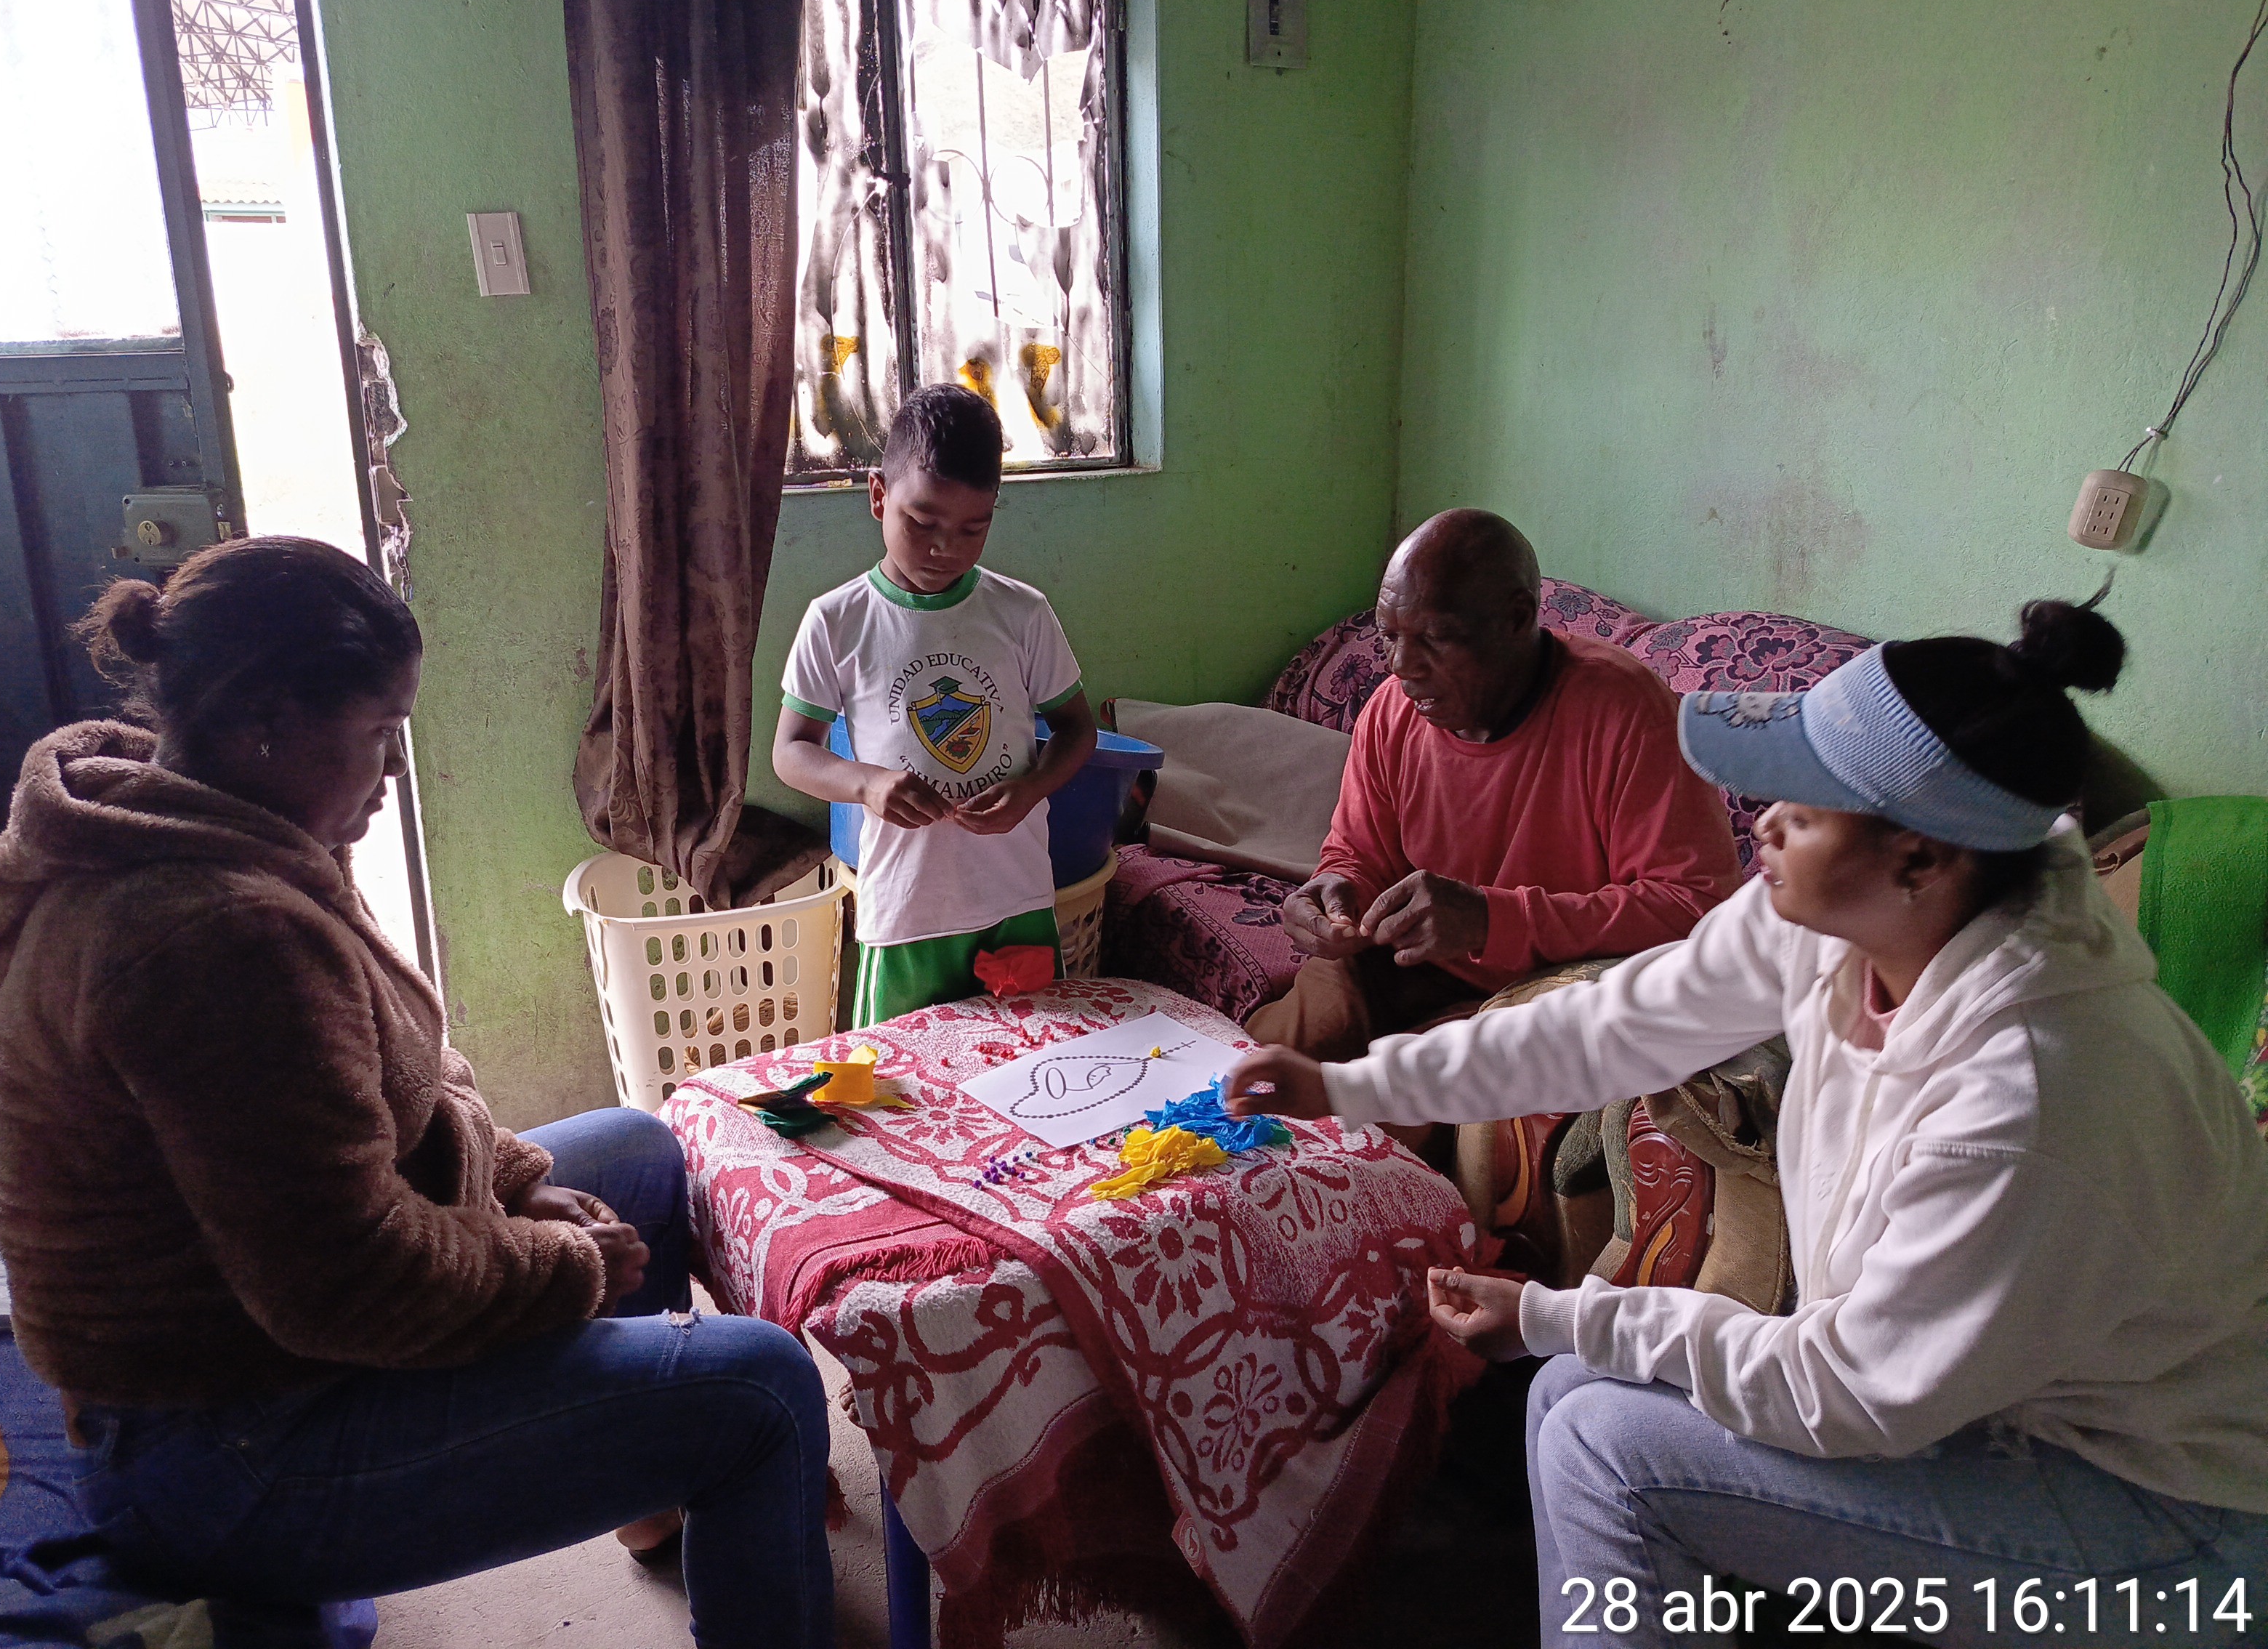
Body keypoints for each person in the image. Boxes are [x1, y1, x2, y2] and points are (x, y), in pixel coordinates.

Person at [1228, 598, 2268, 1648]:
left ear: (1920, 859)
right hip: (1985, 1408)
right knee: (1576, 1390)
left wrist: (1554, 1314)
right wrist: (1349, 1085)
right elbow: (1612, 1027)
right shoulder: (1847, 920)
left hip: (2167, 1520)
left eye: (1806, 812)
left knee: (1605, 1444)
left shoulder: (2024, 1099)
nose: (1762, 823)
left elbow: (1847, 1392)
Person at [0, 536, 833, 1648]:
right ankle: (698, 1453)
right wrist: (560, 1263)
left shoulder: (224, 826)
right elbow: (347, 1285)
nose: (395, 771)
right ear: (267, 721)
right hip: (224, 1449)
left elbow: (410, 1078)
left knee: (639, 1150)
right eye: (379, 733)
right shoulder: (209, 935)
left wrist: (514, 1181)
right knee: (761, 1390)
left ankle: (647, 1491)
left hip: (264, 1348)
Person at [1246, 509, 1742, 1069]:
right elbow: (1359, 856)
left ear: (1517, 619)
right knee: (1265, 1070)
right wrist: (1334, 893)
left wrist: (1492, 921)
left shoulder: (1626, 712)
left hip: (1548, 988)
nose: (1403, 667)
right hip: (1407, 963)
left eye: (1436, 638)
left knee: (1426, 1091)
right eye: (1389, 637)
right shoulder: (1392, 710)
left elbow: (1694, 907)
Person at [773, 384, 1098, 1025]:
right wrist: (867, 785)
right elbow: (792, 752)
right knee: (903, 1074)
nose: (946, 548)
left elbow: (1077, 731)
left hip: (1016, 901)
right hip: (908, 911)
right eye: (922, 523)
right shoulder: (837, 621)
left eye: (974, 529)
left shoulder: (1022, 613)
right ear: (878, 496)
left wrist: (1031, 789)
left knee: (1027, 1063)